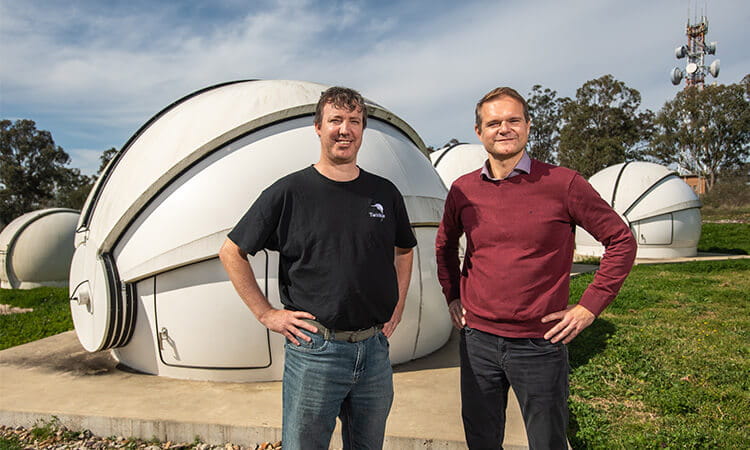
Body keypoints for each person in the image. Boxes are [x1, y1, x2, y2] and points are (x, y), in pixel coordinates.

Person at [435, 87, 637, 449]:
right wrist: (452, 295)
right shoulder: (463, 190)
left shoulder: (563, 184)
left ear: (528, 126)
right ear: (479, 132)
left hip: (540, 343)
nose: (504, 129)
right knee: (481, 438)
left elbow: (621, 240)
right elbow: (445, 245)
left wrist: (589, 307)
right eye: (493, 122)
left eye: (513, 120)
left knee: (547, 441)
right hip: (477, 340)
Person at [219, 86, 416, 450]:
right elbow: (232, 251)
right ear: (318, 127)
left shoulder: (384, 192)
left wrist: (398, 307)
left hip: (374, 351)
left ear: (363, 129)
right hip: (315, 351)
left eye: (354, 121)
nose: (345, 129)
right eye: (336, 120)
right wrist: (266, 314)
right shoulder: (290, 191)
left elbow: (404, 250)